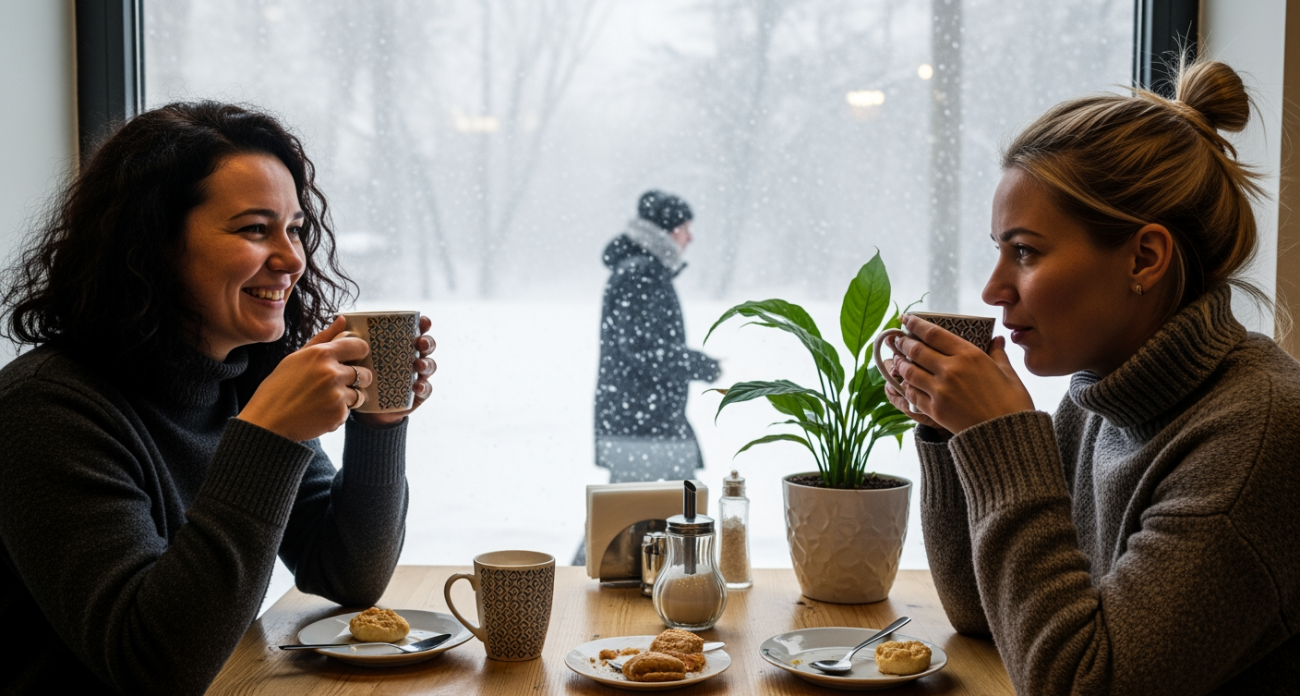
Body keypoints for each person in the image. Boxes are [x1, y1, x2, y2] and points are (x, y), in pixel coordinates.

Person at [882, 60, 1300, 694]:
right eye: (999, 250)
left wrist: (1003, 441)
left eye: (1024, 251)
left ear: (1144, 258)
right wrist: (952, 434)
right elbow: (981, 613)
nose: (993, 289)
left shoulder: (1259, 436)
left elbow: (1083, 683)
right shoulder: (1098, 403)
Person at [0, 102, 436, 695]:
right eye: (255, 229)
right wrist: (267, 437)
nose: (292, 260)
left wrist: (378, 424)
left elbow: (347, 573)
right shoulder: (45, 411)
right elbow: (155, 667)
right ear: (152, 243)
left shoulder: (241, 376)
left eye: (295, 229)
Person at [593, 190, 720, 485]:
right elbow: (640, 347)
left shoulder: (642, 270)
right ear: (667, 231)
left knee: (644, 507)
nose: (690, 238)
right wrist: (695, 364)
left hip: (643, 419)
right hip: (643, 423)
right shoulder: (640, 274)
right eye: (685, 228)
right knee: (670, 505)